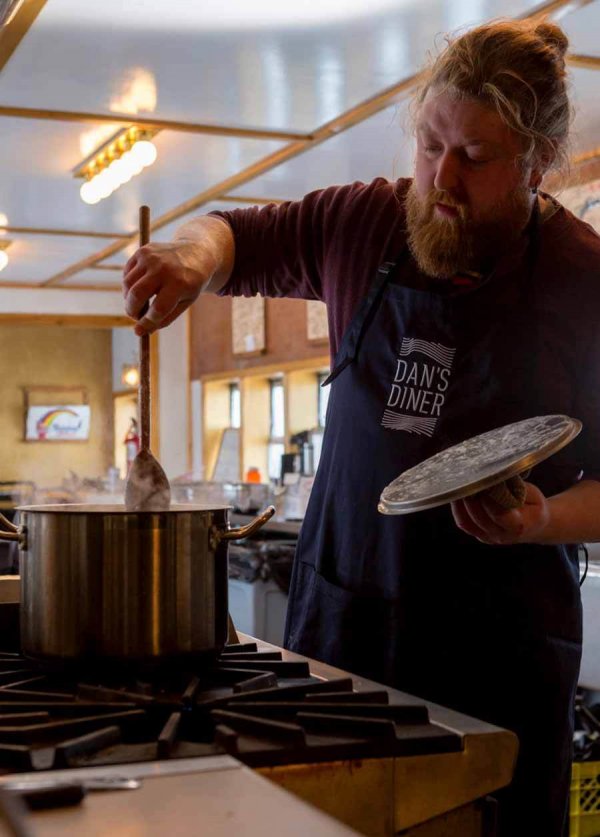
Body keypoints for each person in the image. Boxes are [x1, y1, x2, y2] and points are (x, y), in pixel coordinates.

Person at [123, 19, 600, 836]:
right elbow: (232, 234)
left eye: (474, 158)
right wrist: (191, 260)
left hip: (496, 666)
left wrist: (543, 519)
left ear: (537, 163)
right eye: (429, 144)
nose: (441, 176)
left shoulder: (582, 278)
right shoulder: (365, 224)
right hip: (341, 644)